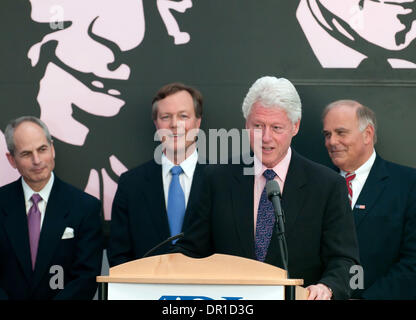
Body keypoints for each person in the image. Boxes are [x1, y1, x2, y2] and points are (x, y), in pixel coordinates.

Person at [173, 76, 360, 300]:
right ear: (246, 124)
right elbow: (191, 252)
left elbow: (345, 261)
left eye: (276, 127)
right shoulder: (216, 179)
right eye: (258, 126)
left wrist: (327, 287)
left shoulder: (327, 185)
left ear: (295, 126)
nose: (266, 138)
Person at [0, 116, 103, 300]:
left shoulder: (86, 207)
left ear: (52, 149)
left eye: (42, 149)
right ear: (12, 159)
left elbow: (86, 277)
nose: (37, 160)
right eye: (26, 154)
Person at [322, 99, 416, 299]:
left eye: (341, 132)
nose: (332, 141)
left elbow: (412, 262)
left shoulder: (408, 184)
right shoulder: (316, 184)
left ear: (368, 134)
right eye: (327, 134)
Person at [108, 82, 206, 267]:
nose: (174, 124)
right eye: (165, 117)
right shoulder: (131, 184)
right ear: (156, 123)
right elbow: (119, 257)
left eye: (183, 116)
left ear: (198, 122)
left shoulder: (219, 181)